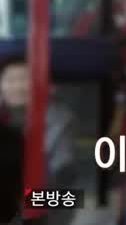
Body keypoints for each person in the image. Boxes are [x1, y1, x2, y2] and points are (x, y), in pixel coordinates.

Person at [0, 56, 78, 225]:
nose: (17, 86)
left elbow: (65, 185)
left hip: (43, 204)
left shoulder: (60, 119)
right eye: (10, 80)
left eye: (24, 79)